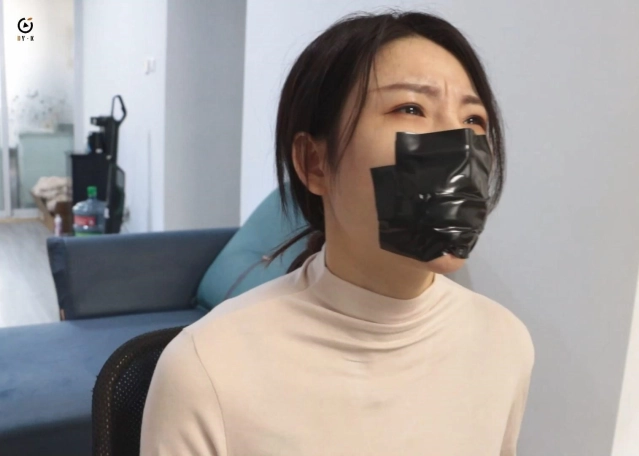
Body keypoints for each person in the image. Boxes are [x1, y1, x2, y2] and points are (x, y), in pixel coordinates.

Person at [141, 10, 534, 456]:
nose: (459, 146)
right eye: (410, 109)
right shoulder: (207, 368)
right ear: (314, 163)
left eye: (473, 121)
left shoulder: (505, 343)